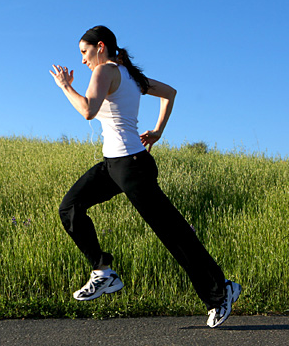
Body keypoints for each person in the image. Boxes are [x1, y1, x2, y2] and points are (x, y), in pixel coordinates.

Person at [49, 25, 241, 328]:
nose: (83, 60)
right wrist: (158, 131)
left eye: (84, 53)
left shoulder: (107, 71)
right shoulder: (128, 75)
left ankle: (221, 292)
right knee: (70, 207)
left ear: (101, 47)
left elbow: (87, 110)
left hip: (131, 166)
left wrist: (64, 86)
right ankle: (103, 272)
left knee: (173, 233)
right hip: (115, 164)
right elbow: (170, 93)